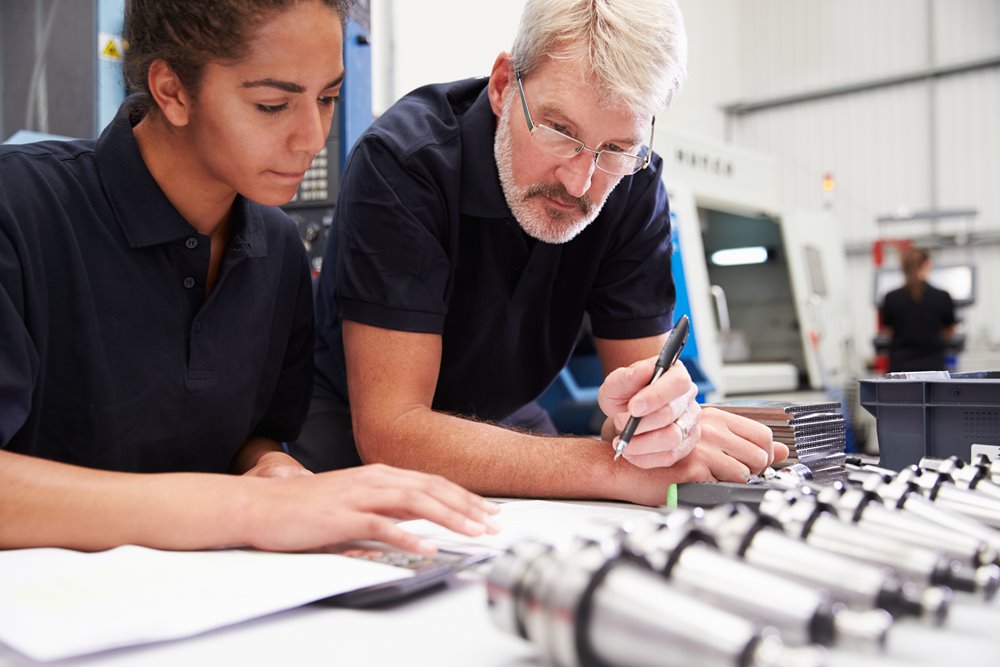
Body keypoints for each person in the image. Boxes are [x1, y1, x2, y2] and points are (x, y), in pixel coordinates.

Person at [0, 0, 498, 554]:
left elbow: (251, 436)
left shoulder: (276, 246)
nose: (311, 136)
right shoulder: (19, 211)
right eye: (271, 105)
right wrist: (247, 509)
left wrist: (273, 469)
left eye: (328, 98)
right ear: (172, 91)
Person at [293, 0, 788, 506]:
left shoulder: (632, 185)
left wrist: (668, 424)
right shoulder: (405, 165)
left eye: (617, 148)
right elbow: (393, 431)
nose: (581, 182)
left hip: (505, 416)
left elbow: (642, 409)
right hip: (353, 421)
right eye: (560, 131)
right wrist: (610, 470)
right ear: (504, 86)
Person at [880, 247, 958, 373]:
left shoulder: (891, 298)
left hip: (900, 369)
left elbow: (889, 334)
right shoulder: (942, 296)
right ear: (927, 265)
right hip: (933, 369)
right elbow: (950, 333)